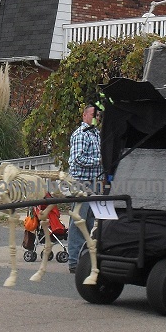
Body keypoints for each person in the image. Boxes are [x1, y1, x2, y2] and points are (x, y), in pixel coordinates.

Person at [67, 104, 103, 273]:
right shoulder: (81, 135)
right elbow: (77, 159)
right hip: (82, 181)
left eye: (98, 115)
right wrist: (101, 161)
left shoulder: (96, 134)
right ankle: (74, 261)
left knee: (89, 220)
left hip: (95, 182)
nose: (96, 117)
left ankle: (83, 258)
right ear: (84, 116)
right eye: (93, 114)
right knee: (78, 221)